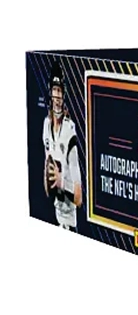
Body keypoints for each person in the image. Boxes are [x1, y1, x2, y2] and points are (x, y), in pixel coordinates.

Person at [43, 62, 82, 230]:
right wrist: (49, 179)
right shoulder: (46, 125)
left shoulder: (69, 132)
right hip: (55, 215)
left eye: (60, 91)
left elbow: (79, 198)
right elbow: (47, 188)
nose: (57, 96)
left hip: (70, 222)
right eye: (55, 90)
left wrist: (62, 182)